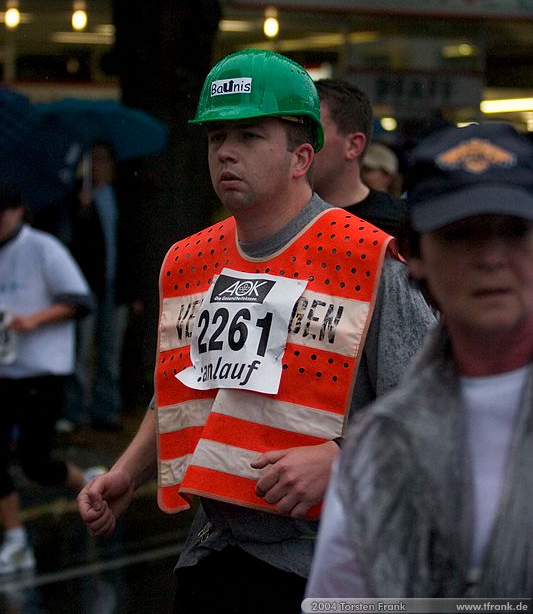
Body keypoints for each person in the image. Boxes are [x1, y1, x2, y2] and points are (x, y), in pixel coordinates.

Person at [77, 49, 435, 614]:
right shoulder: (191, 260)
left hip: (330, 563)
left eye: (248, 136)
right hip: (213, 551)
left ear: (301, 157)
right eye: (217, 137)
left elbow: (437, 406)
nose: (226, 153)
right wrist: (127, 472)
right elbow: (183, 387)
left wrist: (345, 456)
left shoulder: (369, 258)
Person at [306, 121, 533, 600]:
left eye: (514, 233)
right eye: (462, 235)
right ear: (414, 255)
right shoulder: (379, 445)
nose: (491, 257)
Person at [0, 182, 102, 576]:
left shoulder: (43, 248)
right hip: (5, 370)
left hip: (43, 370)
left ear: (16, 211)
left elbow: (81, 301)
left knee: (34, 462)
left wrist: (34, 320)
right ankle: (15, 542)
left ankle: (86, 482)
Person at [59, 141, 136, 432]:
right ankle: (76, 411)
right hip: (86, 287)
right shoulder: (76, 196)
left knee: (110, 353)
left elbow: (130, 244)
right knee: (80, 351)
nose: (98, 165)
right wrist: (80, 211)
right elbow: (66, 242)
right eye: (93, 159)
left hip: (116, 288)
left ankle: (107, 411)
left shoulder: (121, 196)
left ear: (112, 165)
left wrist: (134, 291)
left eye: (103, 160)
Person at [313, 80, 407, 238]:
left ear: (353, 145)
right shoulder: (275, 219)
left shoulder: (398, 225)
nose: (300, 144)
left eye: (313, 132)